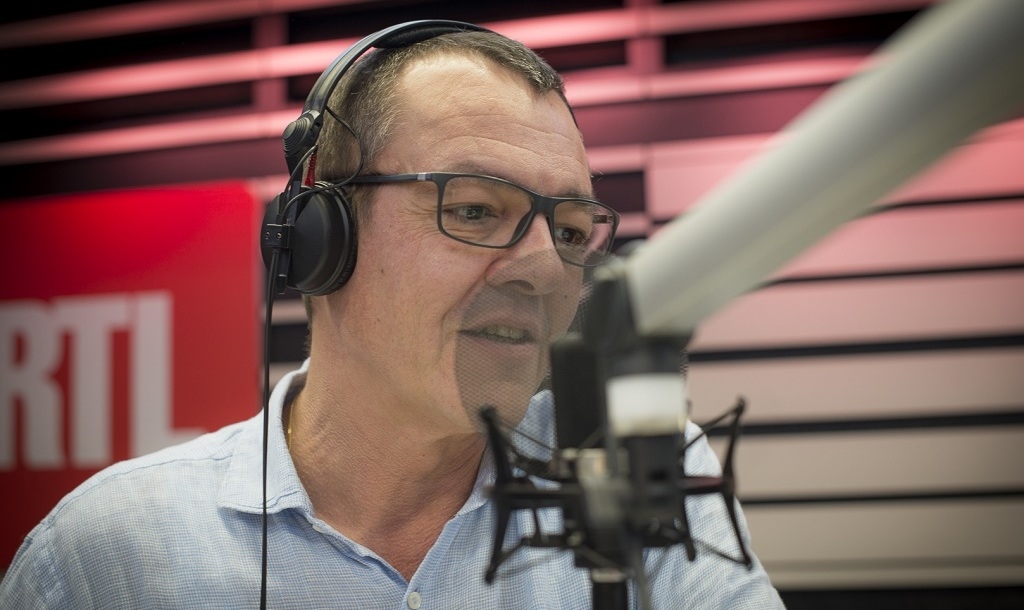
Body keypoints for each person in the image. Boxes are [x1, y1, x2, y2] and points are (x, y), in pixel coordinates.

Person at [0, 23, 784, 609]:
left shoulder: (637, 468)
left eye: (572, 232)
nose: (548, 268)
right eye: (474, 210)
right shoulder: (107, 557)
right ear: (323, 235)